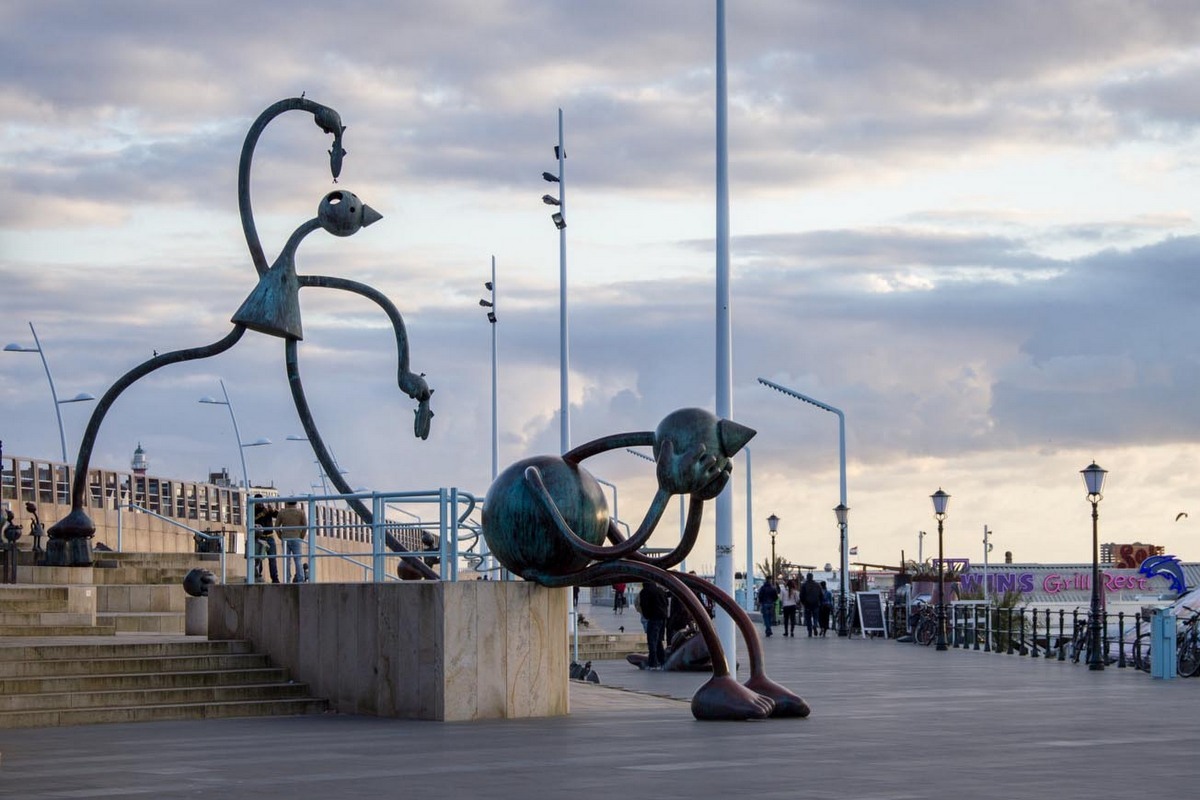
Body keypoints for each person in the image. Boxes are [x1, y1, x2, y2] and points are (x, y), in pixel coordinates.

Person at [638, 581, 670, 669]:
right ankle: (662, 661)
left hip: (654, 618)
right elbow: (666, 603)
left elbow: (644, 605)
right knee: (659, 640)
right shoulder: (660, 590)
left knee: (652, 640)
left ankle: (653, 663)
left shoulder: (645, 591)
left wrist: (647, 615)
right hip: (663, 618)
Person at [275, 500, 308, 582]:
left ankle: (287, 579)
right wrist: (301, 536)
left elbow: (276, 526)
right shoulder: (301, 512)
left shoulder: (282, 512)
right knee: (298, 560)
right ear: (296, 503)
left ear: (287, 503)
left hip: (285, 538)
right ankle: (300, 579)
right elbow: (305, 526)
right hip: (296, 538)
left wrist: (280, 536)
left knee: (287, 560)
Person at [252, 495, 280, 584]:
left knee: (272, 558)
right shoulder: (253, 510)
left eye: (261, 501)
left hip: (270, 536)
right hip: (259, 537)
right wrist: (262, 514)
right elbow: (252, 520)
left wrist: (273, 510)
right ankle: (257, 576)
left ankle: (275, 578)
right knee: (258, 559)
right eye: (258, 501)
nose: (260, 503)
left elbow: (278, 516)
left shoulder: (267, 509)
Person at [800, 572, 823, 637]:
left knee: (808, 618)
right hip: (816, 604)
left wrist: (803, 603)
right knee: (815, 617)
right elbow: (821, 595)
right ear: (812, 577)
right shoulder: (817, 585)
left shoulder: (804, 585)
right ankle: (815, 625)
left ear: (807, 577)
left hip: (807, 604)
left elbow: (801, 595)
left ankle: (809, 631)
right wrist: (820, 602)